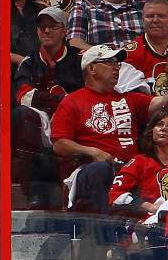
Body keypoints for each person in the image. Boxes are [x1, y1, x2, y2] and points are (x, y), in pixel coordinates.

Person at [51, 44, 152, 217]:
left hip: (128, 170)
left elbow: (162, 103)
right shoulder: (72, 101)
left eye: (117, 64)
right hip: (88, 171)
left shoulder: (128, 98)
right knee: (100, 170)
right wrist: (91, 151)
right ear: (91, 68)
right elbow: (59, 144)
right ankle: (104, 239)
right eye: (109, 62)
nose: (116, 67)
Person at [107, 107, 168, 219]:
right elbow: (115, 194)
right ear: (151, 131)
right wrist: (147, 206)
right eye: (159, 124)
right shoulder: (139, 162)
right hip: (151, 224)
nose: (164, 128)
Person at [121, 0, 168, 96]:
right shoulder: (128, 54)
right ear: (142, 21)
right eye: (150, 16)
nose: (155, 20)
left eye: (161, 16)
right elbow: (130, 98)